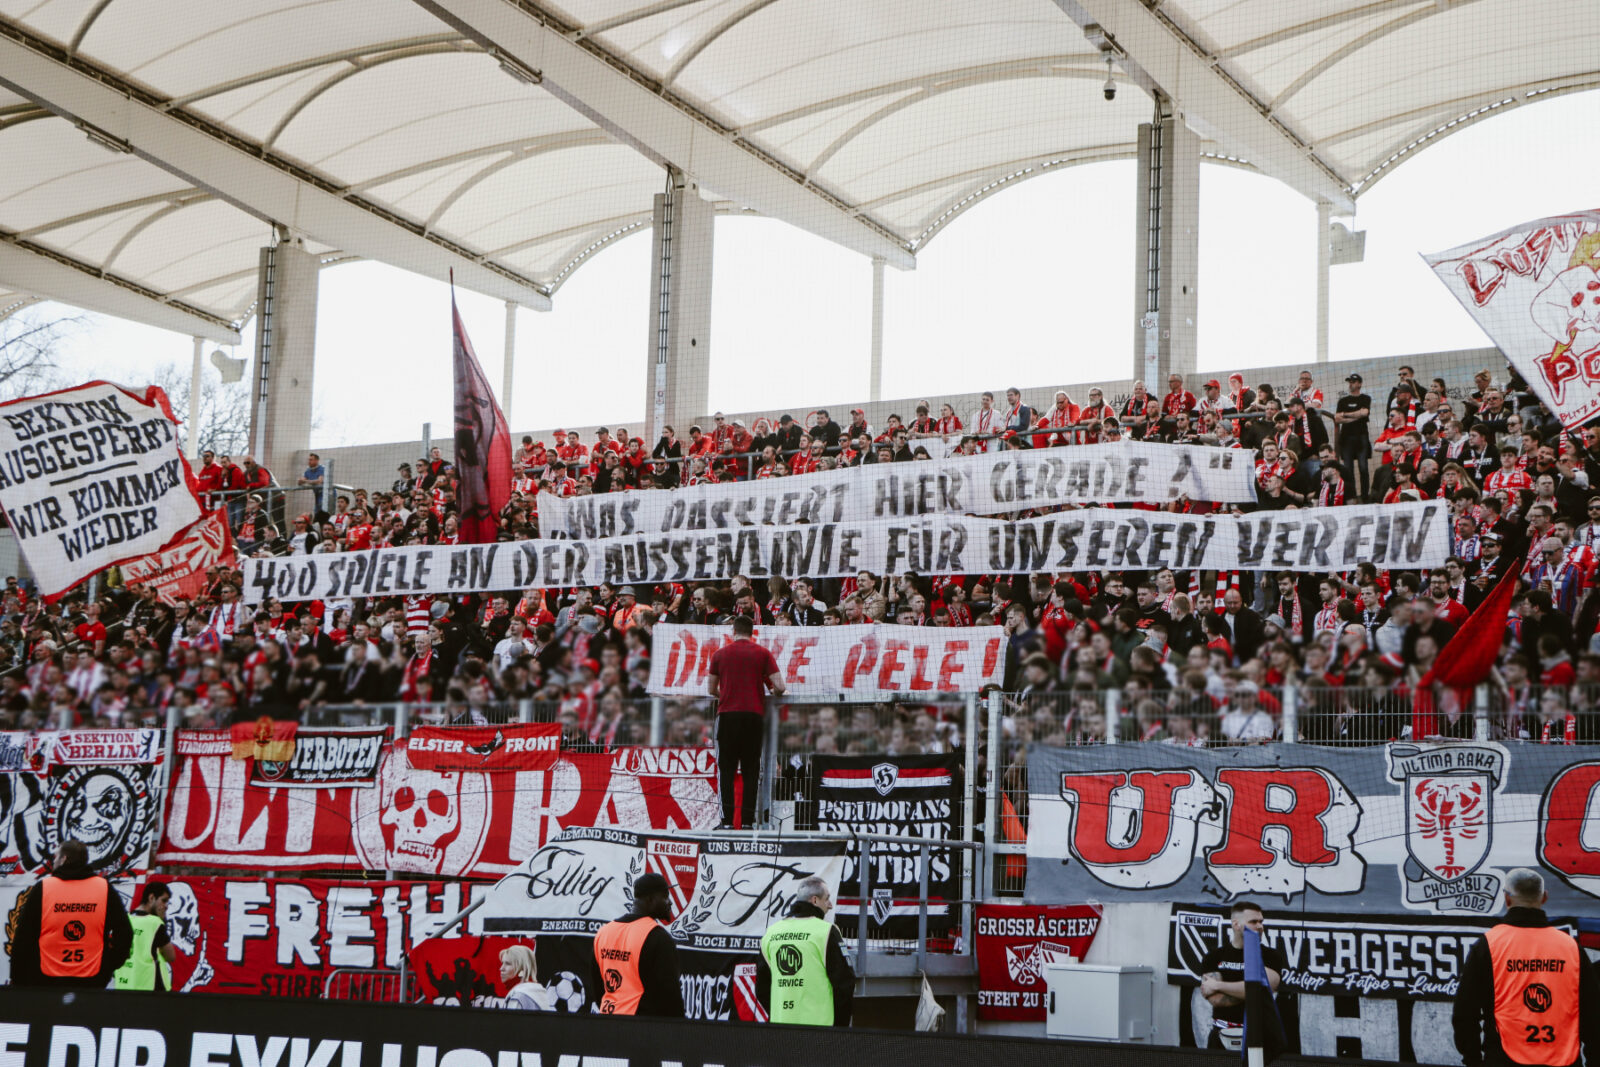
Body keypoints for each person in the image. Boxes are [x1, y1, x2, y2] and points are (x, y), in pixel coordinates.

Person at [1453, 868, 1598, 1066]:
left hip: (1502, 1059)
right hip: (1564, 1060)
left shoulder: (1488, 945)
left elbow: (1464, 1013)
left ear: (1507, 899)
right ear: (1544, 897)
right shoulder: (1571, 948)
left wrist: (1473, 1060)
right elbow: (1593, 1014)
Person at [8, 839, 133, 988]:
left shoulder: (44, 888)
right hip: (92, 979)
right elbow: (125, 933)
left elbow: (24, 937)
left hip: (46, 980)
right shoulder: (104, 888)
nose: (53, 862)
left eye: (55, 858)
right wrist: (108, 966)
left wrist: (18, 978)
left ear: (64, 859)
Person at [707, 615, 785, 829]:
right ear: (752, 632)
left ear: (734, 631)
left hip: (728, 716)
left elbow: (710, 689)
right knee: (751, 771)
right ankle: (749, 823)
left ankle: (727, 823)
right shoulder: (762, 653)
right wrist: (772, 689)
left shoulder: (720, 654)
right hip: (754, 717)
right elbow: (781, 685)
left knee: (726, 771)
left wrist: (725, 693)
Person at [757, 876, 853, 1027]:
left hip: (780, 1028)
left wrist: (778, 1015)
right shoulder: (827, 931)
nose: (830, 905)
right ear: (814, 900)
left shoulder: (771, 933)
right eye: (827, 899)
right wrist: (839, 1029)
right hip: (820, 1032)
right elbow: (844, 985)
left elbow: (761, 988)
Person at [591, 872, 685, 1017]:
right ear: (651, 899)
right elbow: (670, 996)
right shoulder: (658, 937)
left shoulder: (603, 932)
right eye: (665, 897)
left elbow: (598, 988)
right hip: (641, 1029)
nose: (670, 902)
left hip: (606, 1024)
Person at [1196, 900, 1285, 1050]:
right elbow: (1217, 1000)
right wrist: (1250, 992)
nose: (1260, 927)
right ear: (1236, 925)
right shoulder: (1214, 957)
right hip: (1221, 1035)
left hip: (1259, 1035)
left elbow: (1263, 988)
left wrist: (1218, 985)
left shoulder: (1271, 956)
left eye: (1261, 922)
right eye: (1253, 922)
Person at [114, 880, 176, 991]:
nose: (166, 906)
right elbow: (171, 956)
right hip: (149, 988)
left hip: (123, 985)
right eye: (164, 900)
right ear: (151, 898)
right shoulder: (155, 923)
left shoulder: (125, 920)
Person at [475, 946, 554, 1010]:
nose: (501, 968)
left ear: (522, 968)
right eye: (502, 963)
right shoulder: (538, 992)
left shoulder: (518, 998)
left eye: (508, 964)